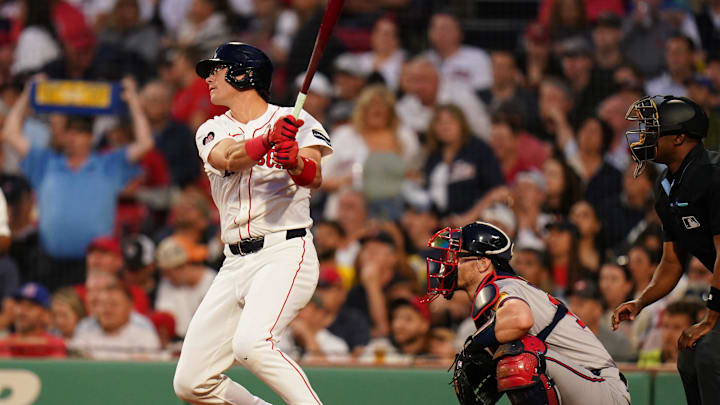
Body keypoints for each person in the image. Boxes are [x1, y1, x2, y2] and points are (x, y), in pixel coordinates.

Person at [173, 42, 332, 405]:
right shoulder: (211, 128)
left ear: (243, 74)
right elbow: (227, 156)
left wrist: (294, 161)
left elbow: (314, 174)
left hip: (284, 251)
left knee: (252, 345)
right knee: (191, 382)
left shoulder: (299, 120)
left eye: (217, 69)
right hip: (235, 262)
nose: (209, 78)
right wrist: (267, 141)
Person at [424, 222, 630, 405]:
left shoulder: (500, 285)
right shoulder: (501, 291)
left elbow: (521, 319)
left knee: (520, 357)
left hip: (603, 387)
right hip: (585, 383)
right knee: (512, 356)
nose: (450, 263)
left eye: (459, 256)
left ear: (483, 263)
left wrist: (476, 343)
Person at [614, 95, 720, 405]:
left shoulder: (714, 174)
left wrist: (710, 320)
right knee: (689, 354)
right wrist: (641, 300)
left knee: (710, 352)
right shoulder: (665, 187)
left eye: (653, 129)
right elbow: (672, 262)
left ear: (679, 137)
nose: (644, 136)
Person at [69, 281, 161, 360]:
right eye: (103, 304)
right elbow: (76, 357)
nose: (107, 309)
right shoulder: (85, 327)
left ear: (130, 307)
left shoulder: (143, 329)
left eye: (114, 304)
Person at [154, 236, 216, 338]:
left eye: (169, 273)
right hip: (177, 341)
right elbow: (164, 316)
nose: (167, 278)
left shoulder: (212, 280)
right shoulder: (167, 284)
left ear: (182, 266)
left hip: (207, 339)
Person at [0, 283, 66, 358]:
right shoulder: (3, 345)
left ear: (45, 313)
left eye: (30, 306)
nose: (21, 312)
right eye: (19, 304)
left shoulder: (55, 345)